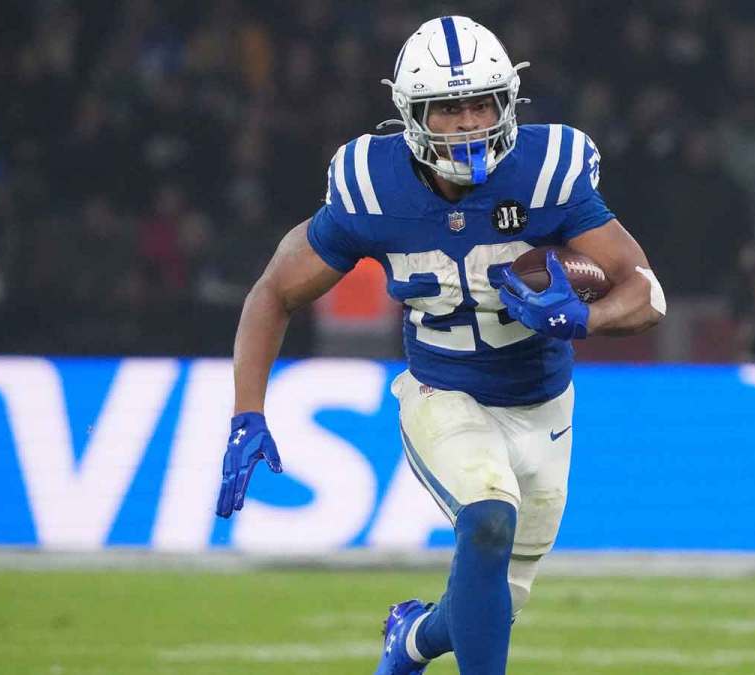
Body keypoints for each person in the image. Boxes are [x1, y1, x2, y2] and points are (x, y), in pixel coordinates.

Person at [214, 16, 664, 675]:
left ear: (507, 102)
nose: (468, 122)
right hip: (441, 391)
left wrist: (581, 320)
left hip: (543, 408)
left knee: (488, 604)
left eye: (481, 101)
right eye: (449, 108)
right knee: (486, 516)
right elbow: (274, 292)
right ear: (413, 114)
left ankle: (411, 640)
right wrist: (247, 409)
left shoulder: (546, 171)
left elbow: (646, 291)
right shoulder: (374, 187)